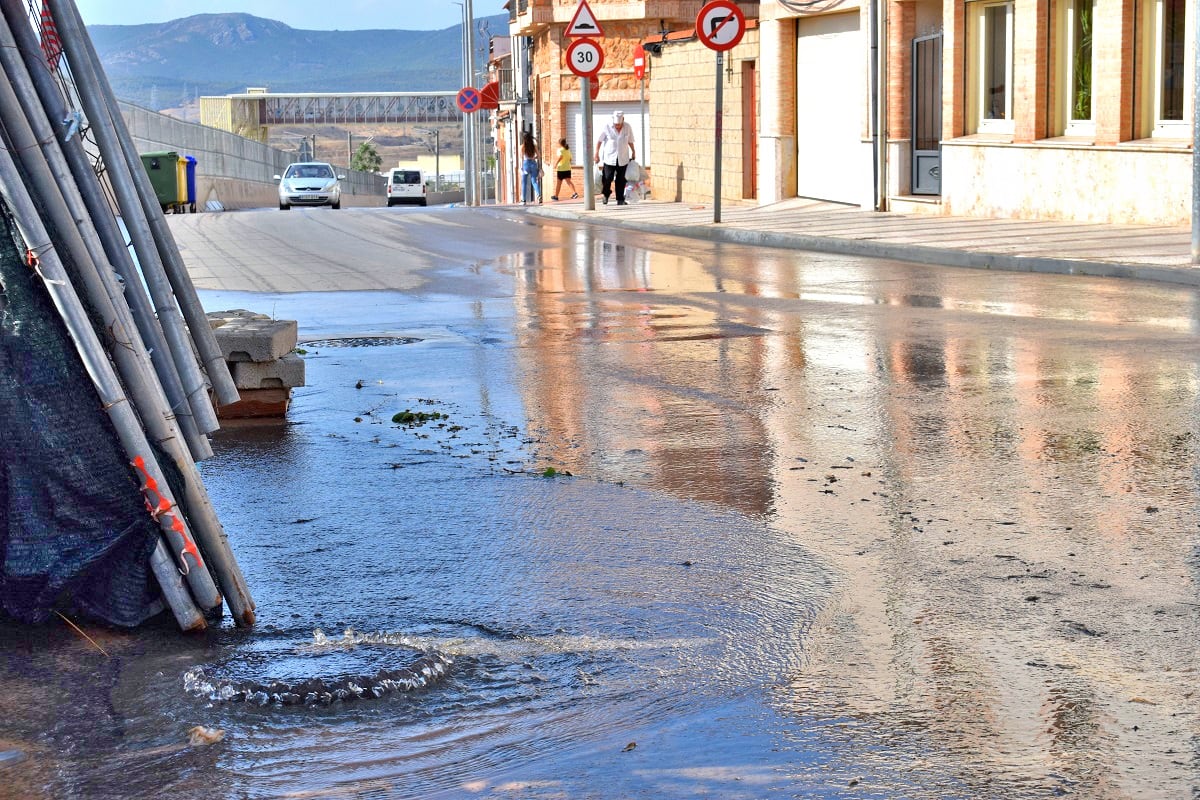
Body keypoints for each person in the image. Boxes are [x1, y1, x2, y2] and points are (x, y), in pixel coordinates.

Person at [594, 110, 635, 206]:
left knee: (621, 179)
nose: (617, 126)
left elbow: (630, 140)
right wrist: (596, 153)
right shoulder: (607, 126)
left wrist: (633, 151)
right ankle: (606, 194)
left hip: (623, 157)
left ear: (623, 120)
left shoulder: (627, 127)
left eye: (619, 125)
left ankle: (620, 199)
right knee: (607, 178)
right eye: (616, 125)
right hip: (609, 157)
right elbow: (599, 141)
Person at [521, 131, 542, 204]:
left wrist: (521, 167)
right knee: (534, 181)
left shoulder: (523, 146)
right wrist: (534, 158)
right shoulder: (534, 145)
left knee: (524, 183)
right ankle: (539, 195)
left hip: (526, 163)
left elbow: (521, 158)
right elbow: (539, 156)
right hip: (533, 163)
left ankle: (523, 200)